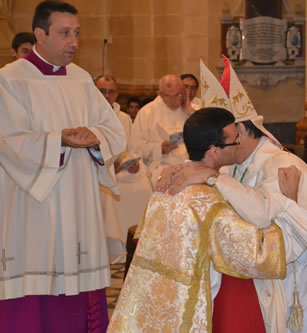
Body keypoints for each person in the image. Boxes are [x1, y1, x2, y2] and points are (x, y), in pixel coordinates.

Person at [156, 58, 307, 333]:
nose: (224, 147)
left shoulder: (277, 162)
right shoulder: (237, 162)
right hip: (273, 248)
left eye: (226, 137)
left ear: (241, 131)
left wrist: (211, 176)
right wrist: (183, 170)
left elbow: (262, 213)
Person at [108, 107, 307, 332]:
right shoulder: (208, 204)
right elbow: (260, 256)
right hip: (186, 312)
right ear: (215, 151)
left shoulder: (163, 188)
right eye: (235, 141)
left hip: (151, 306)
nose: (240, 144)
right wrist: (291, 202)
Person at [0, 2, 125, 332]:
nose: (73, 41)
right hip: (34, 205)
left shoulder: (82, 79)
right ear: (40, 35)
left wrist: (94, 135)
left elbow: (112, 128)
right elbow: (8, 141)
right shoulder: (9, 81)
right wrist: (59, 141)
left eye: (77, 33)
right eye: (64, 33)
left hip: (78, 199)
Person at [95, 75, 152, 263]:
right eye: (102, 91)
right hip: (101, 170)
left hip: (122, 169)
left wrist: (132, 162)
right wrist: (113, 167)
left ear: (116, 94)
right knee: (110, 192)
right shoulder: (87, 114)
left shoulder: (124, 118)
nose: (106, 95)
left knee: (144, 187)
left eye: (111, 92)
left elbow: (130, 148)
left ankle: (139, 243)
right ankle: (116, 246)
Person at [130, 74, 196, 182]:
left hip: (190, 166)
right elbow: (135, 149)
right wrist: (159, 148)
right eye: (167, 96)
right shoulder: (147, 113)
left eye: (177, 95)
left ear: (183, 91)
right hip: (161, 167)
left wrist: (190, 112)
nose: (173, 101)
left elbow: (206, 138)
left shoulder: (192, 110)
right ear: (159, 94)